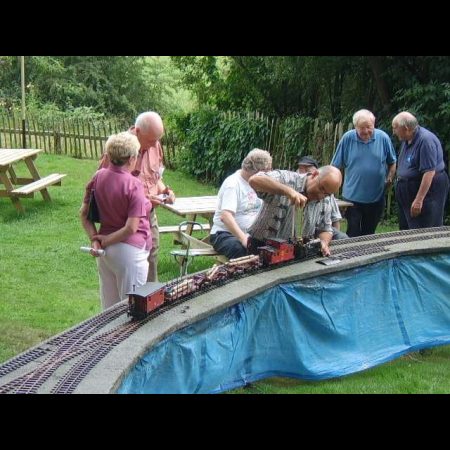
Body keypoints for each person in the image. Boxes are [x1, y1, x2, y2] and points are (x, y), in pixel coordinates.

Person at [98, 111, 175, 282]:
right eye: (151, 140)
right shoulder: (119, 149)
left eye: (157, 140)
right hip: (124, 218)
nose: (155, 144)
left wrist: (164, 191)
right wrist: (144, 199)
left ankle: (151, 296)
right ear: (137, 131)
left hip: (149, 215)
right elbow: (105, 183)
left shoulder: (155, 144)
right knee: (128, 268)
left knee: (152, 255)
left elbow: (156, 177)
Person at [80, 132, 152, 310]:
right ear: (131, 158)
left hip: (105, 254)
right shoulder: (134, 184)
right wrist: (105, 241)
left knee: (109, 310)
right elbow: (131, 228)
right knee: (133, 310)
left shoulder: (98, 176)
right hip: (129, 253)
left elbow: (83, 214)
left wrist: (96, 240)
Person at [248, 165, 343, 256]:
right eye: (321, 188)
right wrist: (288, 191)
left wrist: (324, 243)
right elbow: (254, 180)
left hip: (296, 251)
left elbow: (325, 229)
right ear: (314, 174)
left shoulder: (326, 199)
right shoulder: (286, 178)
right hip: (262, 247)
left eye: (327, 194)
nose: (320, 195)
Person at [331, 109, 397, 237]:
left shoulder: (383, 138)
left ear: (374, 124)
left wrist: (389, 178)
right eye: (362, 127)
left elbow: (392, 162)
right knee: (353, 232)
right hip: (352, 198)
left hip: (376, 197)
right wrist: (332, 188)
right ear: (355, 126)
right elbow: (335, 166)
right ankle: (352, 250)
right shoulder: (347, 138)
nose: (366, 131)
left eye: (369, 127)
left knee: (369, 233)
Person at [209, 149, 272, 259]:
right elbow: (225, 216)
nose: (269, 174)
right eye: (266, 171)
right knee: (239, 248)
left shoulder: (260, 183)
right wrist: (243, 239)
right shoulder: (233, 184)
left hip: (252, 233)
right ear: (257, 171)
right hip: (225, 234)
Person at [392, 111, 449, 229]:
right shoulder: (406, 139)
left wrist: (419, 200)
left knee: (423, 230)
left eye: (395, 128)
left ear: (406, 128)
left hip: (426, 191)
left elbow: (429, 172)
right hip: (407, 190)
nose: (393, 132)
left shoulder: (425, 141)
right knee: (406, 230)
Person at [297, 156, 348, 240]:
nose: (305, 172)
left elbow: (335, 219)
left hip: (320, 230)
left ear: (315, 173)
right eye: (301, 168)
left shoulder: (327, 193)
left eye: (308, 169)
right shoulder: (293, 184)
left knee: (341, 237)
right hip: (306, 233)